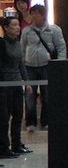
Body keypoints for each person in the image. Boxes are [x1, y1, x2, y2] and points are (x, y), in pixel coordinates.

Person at [21, 5, 66, 132]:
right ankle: (30, 122)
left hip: (47, 66)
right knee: (30, 96)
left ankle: (46, 121)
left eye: (37, 13)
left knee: (47, 96)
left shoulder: (54, 29)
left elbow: (61, 47)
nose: (34, 16)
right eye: (32, 13)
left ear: (43, 15)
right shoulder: (27, 31)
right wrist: (21, 66)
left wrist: (59, 64)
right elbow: (22, 48)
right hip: (29, 66)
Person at [0, 17, 31, 158]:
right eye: (14, 25)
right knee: (4, 117)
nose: (18, 27)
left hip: (17, 83)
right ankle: (3, 147)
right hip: (5, 85)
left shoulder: (18, 43)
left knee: (18, 115)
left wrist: (27, 82)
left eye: (18, 25)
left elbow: (21, 64)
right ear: (6, 28)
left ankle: (17, 144)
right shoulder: (2, 44)